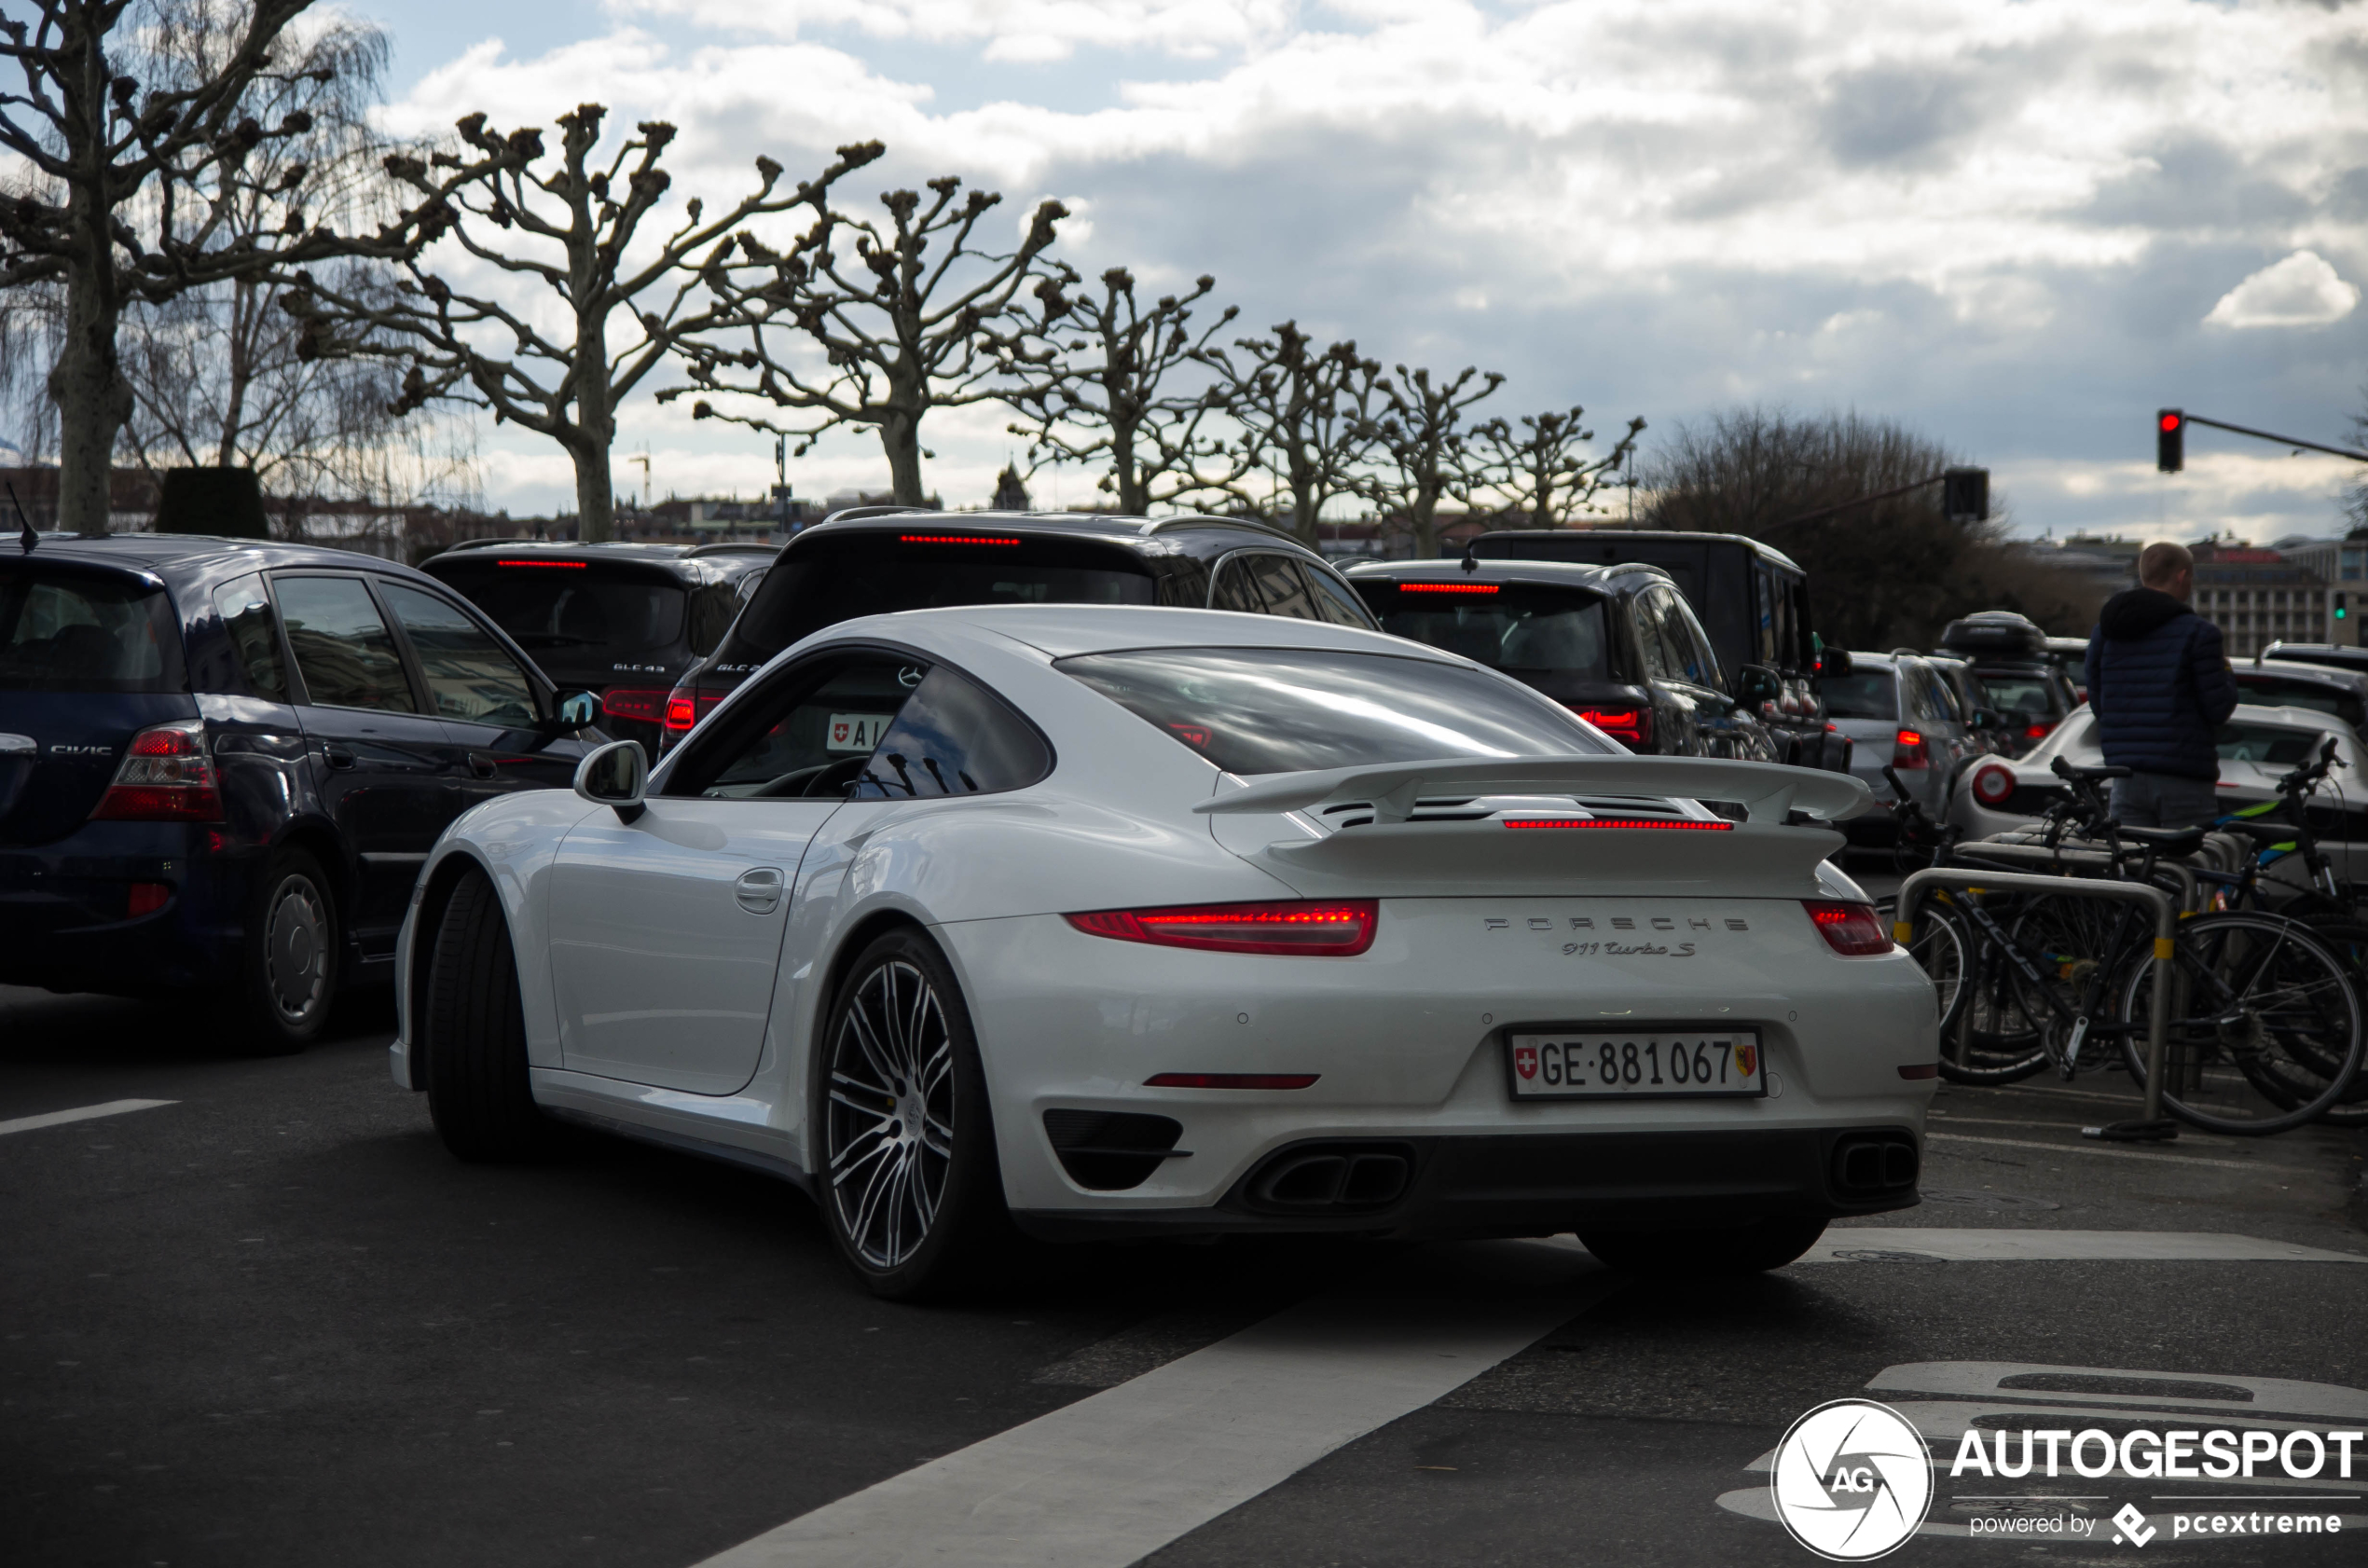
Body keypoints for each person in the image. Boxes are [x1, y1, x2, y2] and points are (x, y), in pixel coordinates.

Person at [2081, 540, 2237, 828]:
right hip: (2184, 776)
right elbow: (2218, 708)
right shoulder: (2199, 634)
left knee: (2134, 865)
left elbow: (2097, 699)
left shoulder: (2105, 632)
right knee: (2189, 866)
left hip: (2126, 775)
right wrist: (2226, 671)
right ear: (2182, 576)